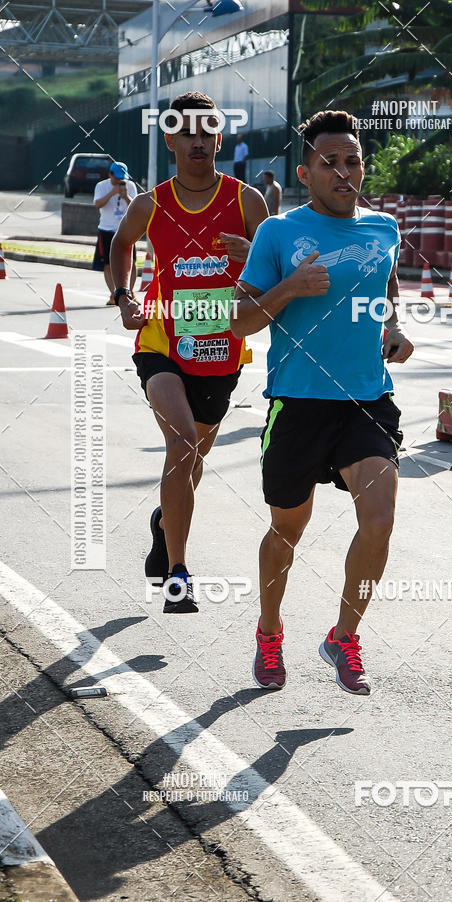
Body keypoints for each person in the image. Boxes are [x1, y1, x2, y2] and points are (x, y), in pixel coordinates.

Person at [232, 109, 414, 694]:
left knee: (379, 521)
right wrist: (290, 287)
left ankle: (344, 637)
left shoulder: (384, 228)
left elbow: (385, 290)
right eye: (329, 162)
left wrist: (392, 328)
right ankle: (269, 630)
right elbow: (240, 324)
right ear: (305, 172)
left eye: (353, 160)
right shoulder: (278, 233)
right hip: (298, 401)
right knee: (288, 527)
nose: (344, 172)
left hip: (366, 399)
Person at [110, 92, 268, 613]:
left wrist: (256, 256)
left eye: (208, 133)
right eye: (187, 133)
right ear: (171, 140)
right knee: (180, 444)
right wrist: (125, 295)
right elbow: (121, 245)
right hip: (161, 342)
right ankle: (178, 573)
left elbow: (277, 266)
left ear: (220, 139)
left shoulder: (248, 201)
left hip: (221, 348)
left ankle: (163, 524)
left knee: (191, 462)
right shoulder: (149, 203)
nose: (198, 142)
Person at [93, 161, 137, 305]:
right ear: (109, 174)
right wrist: (112, 192)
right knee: (108, 263)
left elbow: (136, 208)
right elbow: (97, 204)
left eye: (122, 178)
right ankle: (114, 294)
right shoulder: (101, 186)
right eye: (116, 177)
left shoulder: (130, 186)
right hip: (106, 229)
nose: (119, 181)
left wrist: (125, 196)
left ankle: (130, 293)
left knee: (131, 262)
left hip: (126, 229)